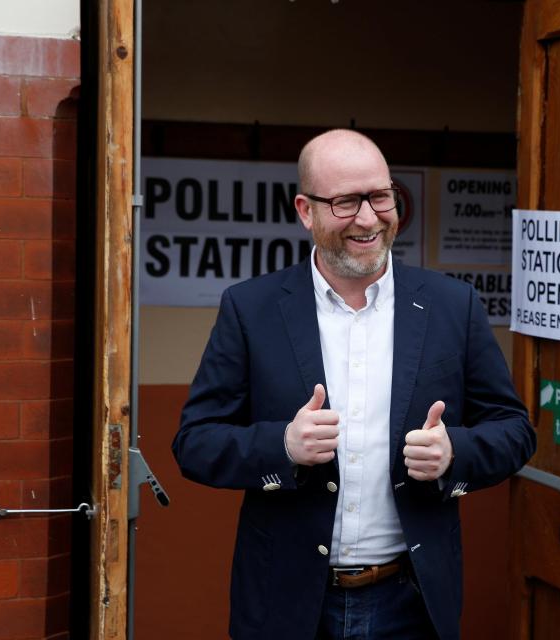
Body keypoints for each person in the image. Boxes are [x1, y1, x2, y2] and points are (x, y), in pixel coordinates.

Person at [172, 129, 535, 640]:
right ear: (306, 210)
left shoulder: (453, 305)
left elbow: (516, 431)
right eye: (345, 201)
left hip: (412, 603)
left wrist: (455, 453)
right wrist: (282, 446)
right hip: (289, 605)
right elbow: (194, 443)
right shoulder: (251, 309)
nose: (368, 218)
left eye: (380, 196)